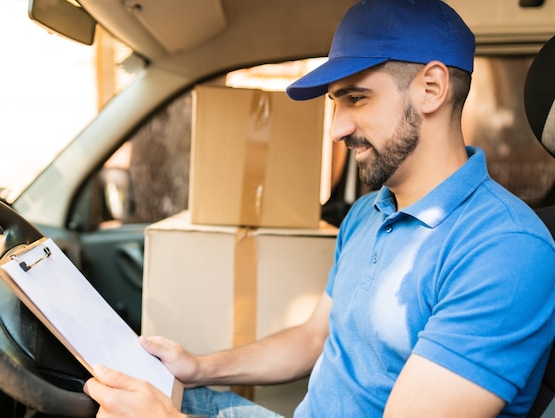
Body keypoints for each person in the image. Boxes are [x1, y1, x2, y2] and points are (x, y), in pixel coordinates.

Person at [83, 0, 555, 416]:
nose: (336, 128)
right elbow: (315, 337)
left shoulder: (506, 250)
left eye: (356, 98)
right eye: (335, 103)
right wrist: (200, 367)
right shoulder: (367, 213)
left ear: (431, 88)